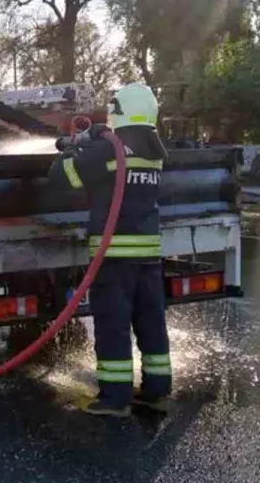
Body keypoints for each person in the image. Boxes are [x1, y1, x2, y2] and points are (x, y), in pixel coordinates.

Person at [51, 82, 172, 417]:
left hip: (114, 256)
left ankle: (115, 398)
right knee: (151, 322)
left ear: (117, 112)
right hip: (148, 255)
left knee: (114, 324)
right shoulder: (154, 151)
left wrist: (71, 150)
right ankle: (157, 389)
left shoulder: (108, 151)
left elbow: (63, 178)